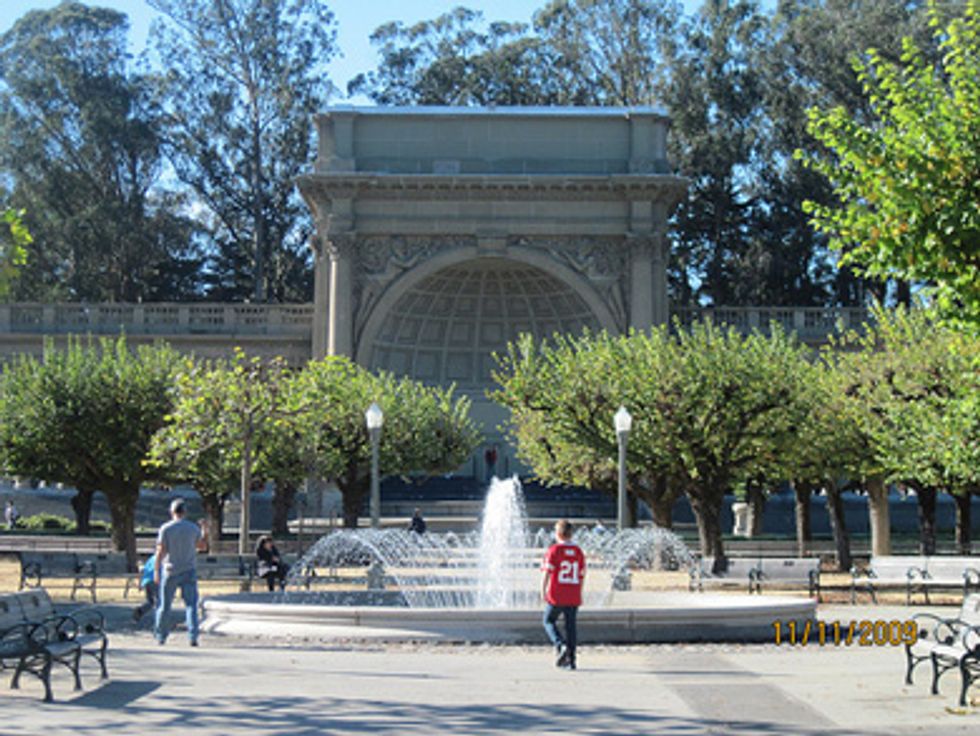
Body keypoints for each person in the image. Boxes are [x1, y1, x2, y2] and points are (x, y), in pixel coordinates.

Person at [154, 498, 207, 646]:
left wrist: (156, 570)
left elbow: (161, 551)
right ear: (185, 512)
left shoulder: (166, 528)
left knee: (164, 605)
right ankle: (193, 636)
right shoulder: (193, 528)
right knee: (191, 605)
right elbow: (202, 546)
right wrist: (204, 531)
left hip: (170, 570)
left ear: (172, 512)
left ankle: (161, 636)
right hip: (189, 569)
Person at [541, 519, 586, 670]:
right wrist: (580, 591)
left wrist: (543, 590)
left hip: (557, 593)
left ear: (558, 533)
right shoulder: (578, 551)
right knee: (571, 627)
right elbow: (582, 573)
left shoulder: (554, 550)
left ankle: (560, 646)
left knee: (548, 620)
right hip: (573, 593)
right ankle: (571, 660)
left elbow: (547, 572)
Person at [133, 553, 158, 622]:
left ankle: (140, 611)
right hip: (155, 580)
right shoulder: (161, 558)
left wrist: (140, 584)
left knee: (150, 601)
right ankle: (160, 620)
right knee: (159, 601)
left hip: (146, 581)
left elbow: (143, 571)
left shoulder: (151, 559)